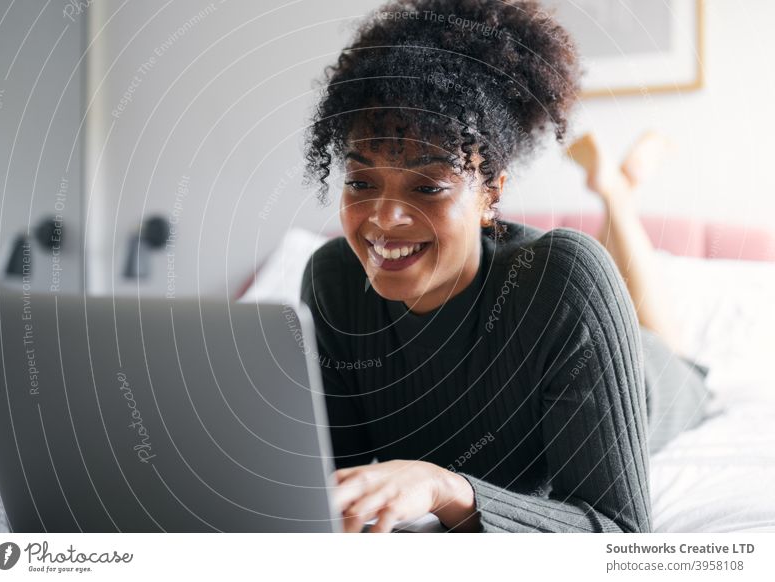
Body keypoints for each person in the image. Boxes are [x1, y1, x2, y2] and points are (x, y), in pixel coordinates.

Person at [299, 0, 710, 533]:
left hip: (657, 380)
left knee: (661, 337)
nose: (383, 218)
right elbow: (331, 486)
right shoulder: (333, 282)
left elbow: (619, 533)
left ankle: (616, 193)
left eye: (427, 186)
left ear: (491, 193)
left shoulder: (565, 279)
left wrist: (447, 489)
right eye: (361, 182)